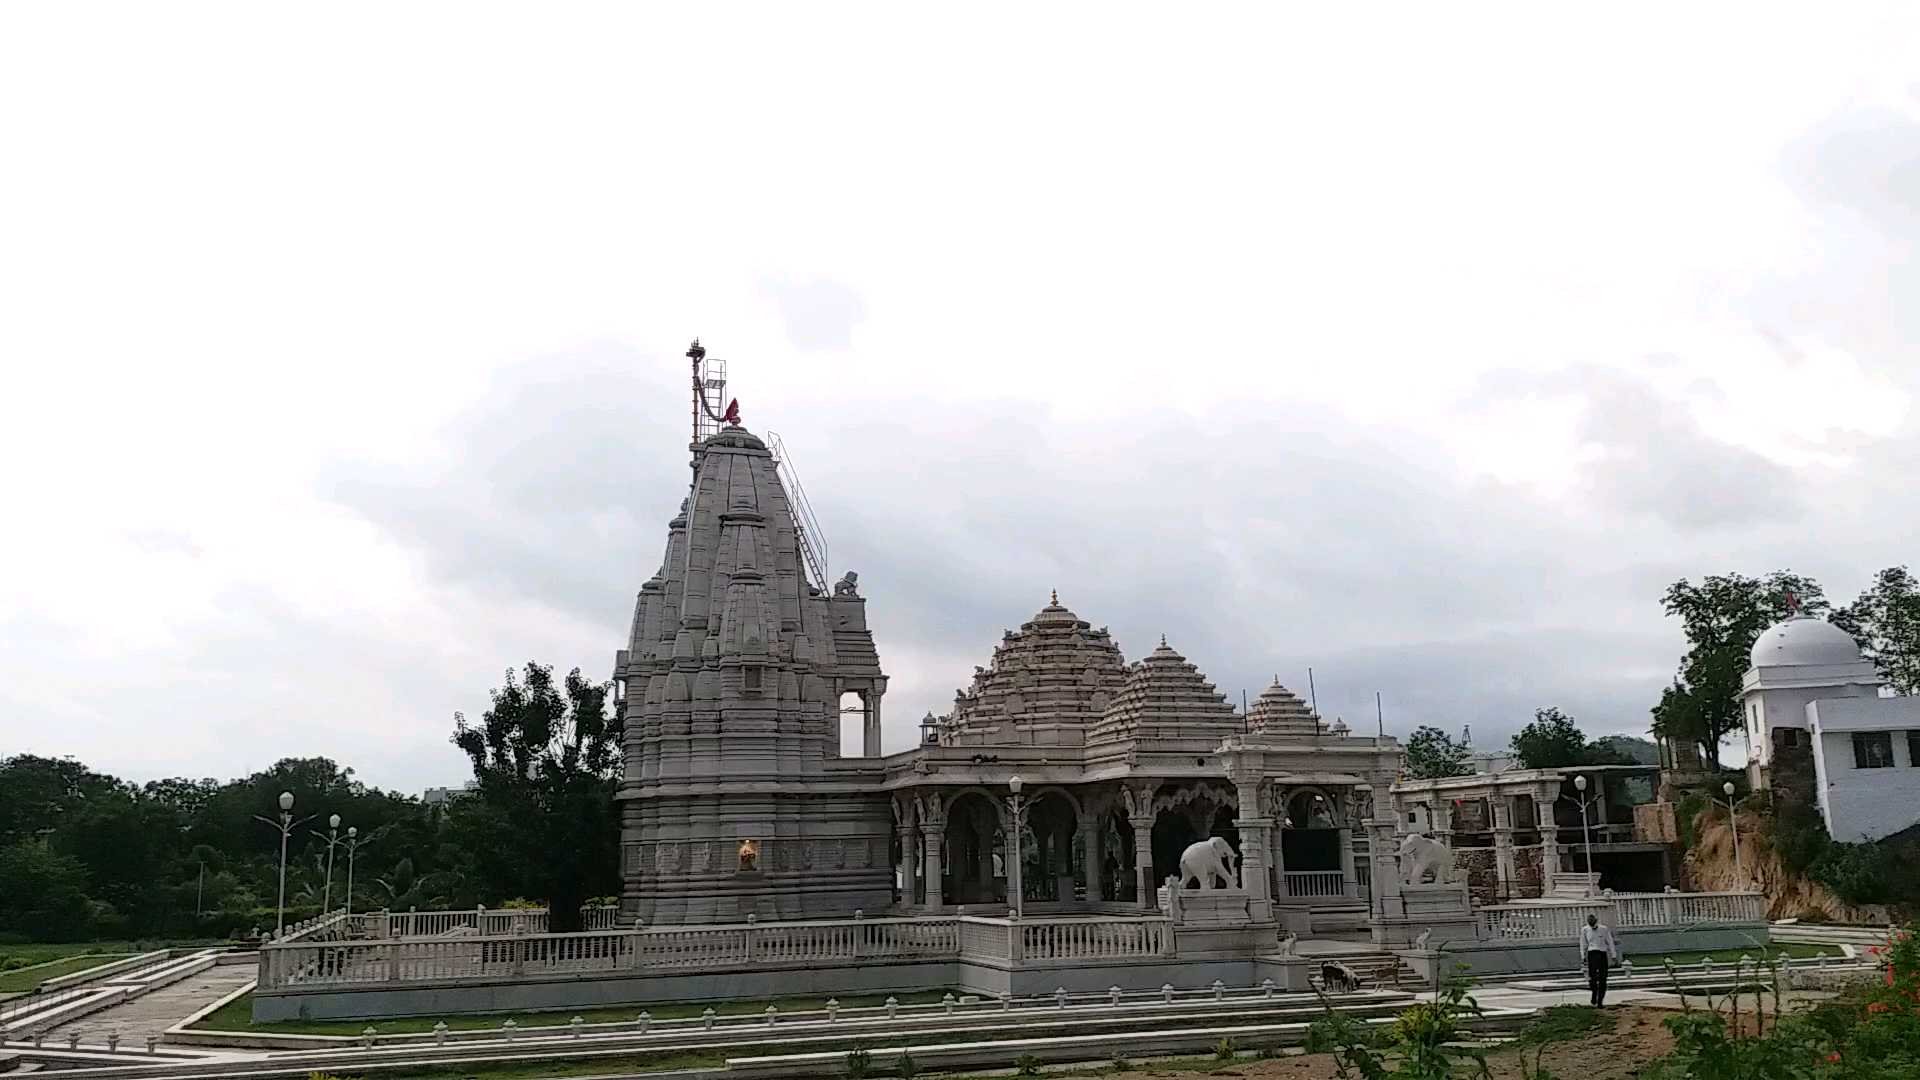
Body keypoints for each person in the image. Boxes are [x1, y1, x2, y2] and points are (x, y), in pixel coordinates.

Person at [1580, 912, 1621, 1006]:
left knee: (1603, 978)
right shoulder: (1585, 930)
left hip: (1602, 953)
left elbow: (1610, 942)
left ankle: (1600, 1001)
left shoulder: (1604, 929)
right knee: (1592, 977)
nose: (1591, 923)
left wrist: (1613, 955)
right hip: (1592, 953)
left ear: (1596, 920)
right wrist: (1583, 956)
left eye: (1592, 921)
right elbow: (1583, 944)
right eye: (1589, 921)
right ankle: (1594, 994)